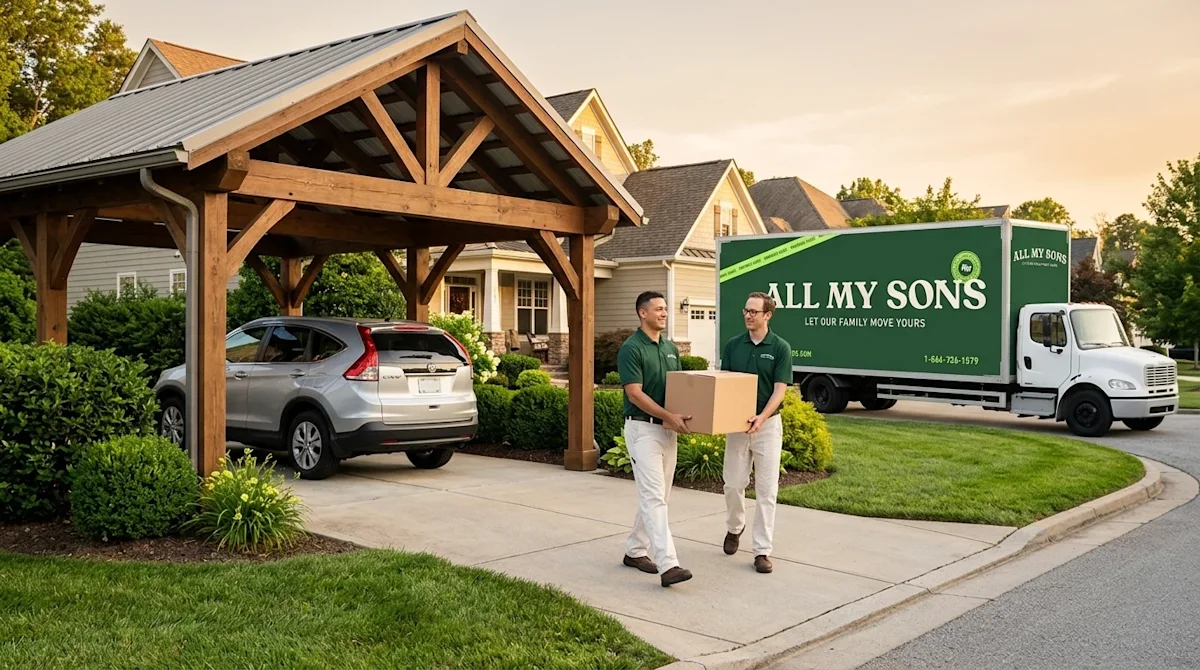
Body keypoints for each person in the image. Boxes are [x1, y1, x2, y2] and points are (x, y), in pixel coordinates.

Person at [618, 291, 694, 587]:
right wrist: (667, 416)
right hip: (642, 430)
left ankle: (635, 550)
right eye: (658, 309)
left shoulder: (670, 348)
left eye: (665, 309)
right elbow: (634, 394)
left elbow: (679, 389)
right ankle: (668, 564)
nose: (664, 313)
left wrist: (684, 417)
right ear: (642, 313)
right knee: (653, 497)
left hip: (667, 429)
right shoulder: (631, 348)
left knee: (659, 496)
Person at [720, 292, 793, 574]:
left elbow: (779, 390)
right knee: (733, 484)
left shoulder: (780, 347)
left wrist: (762, 417)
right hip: (737, 426)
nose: (748, 316)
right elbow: (724, 385)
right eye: (746, 311)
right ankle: (734, 527)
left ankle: (762, 550)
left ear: (768, 315)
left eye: (754, 312)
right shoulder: (733, 345)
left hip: (768, 426)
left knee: (766, 490)